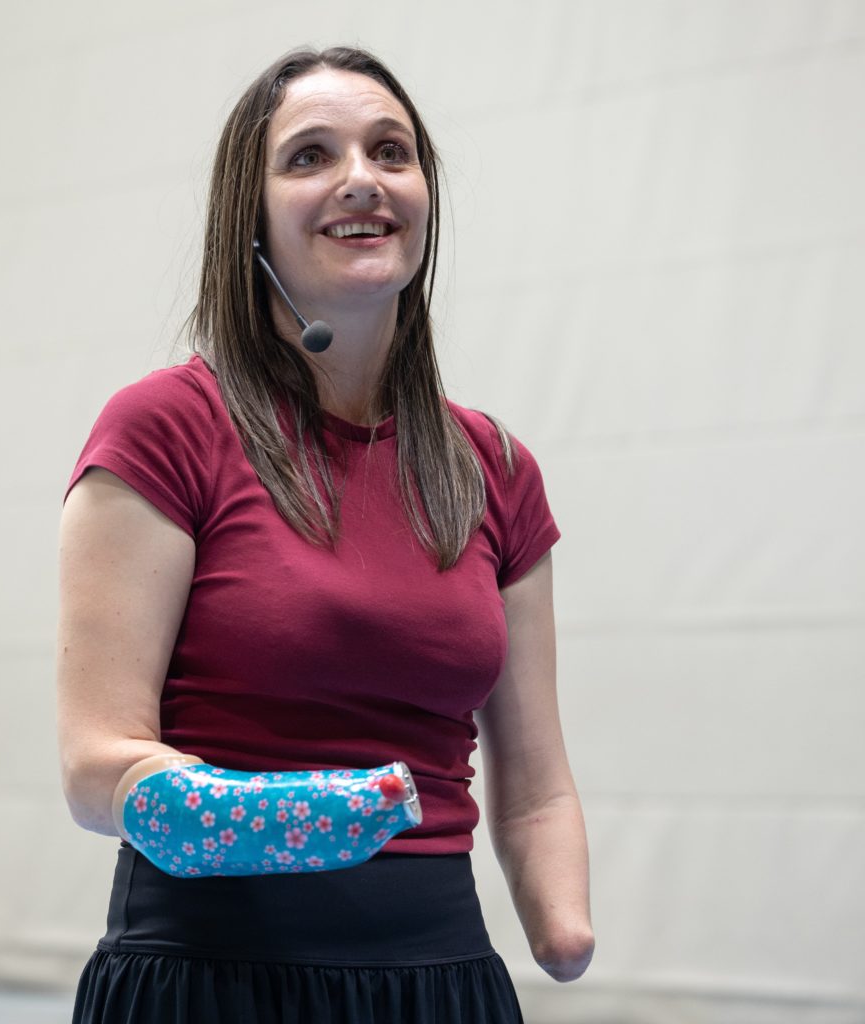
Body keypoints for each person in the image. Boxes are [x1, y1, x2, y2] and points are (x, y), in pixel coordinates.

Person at [57, 45, 594, 1024]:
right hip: (211, 983)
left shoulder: (495, 467)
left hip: (442, 985)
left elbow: (536, 788)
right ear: (249, 217)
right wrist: (291, 817)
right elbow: (98, 767)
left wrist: (564, 930)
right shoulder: (165, 427)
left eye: (391, 151)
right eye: (310, 156)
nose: (361, 178)